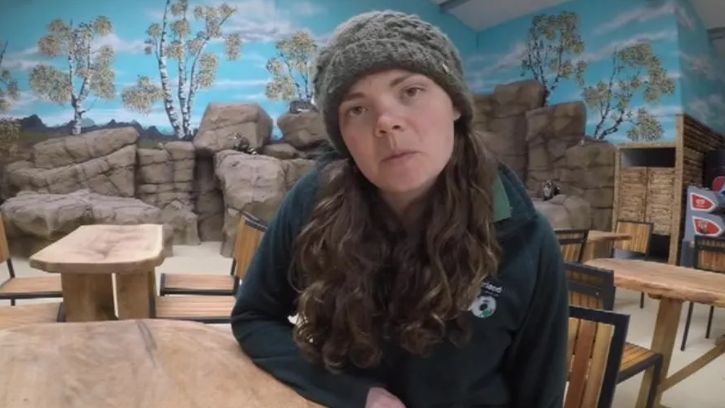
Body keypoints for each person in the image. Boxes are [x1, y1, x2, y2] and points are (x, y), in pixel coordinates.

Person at [231, 10, 568, 408]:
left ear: (455, 105)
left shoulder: (525, 238)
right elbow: (254, 317)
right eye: (357, 109)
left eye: (410, 91)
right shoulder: (315, 200)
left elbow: (540, 395)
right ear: (343, 140)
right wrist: (358, 395)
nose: (386, 122)